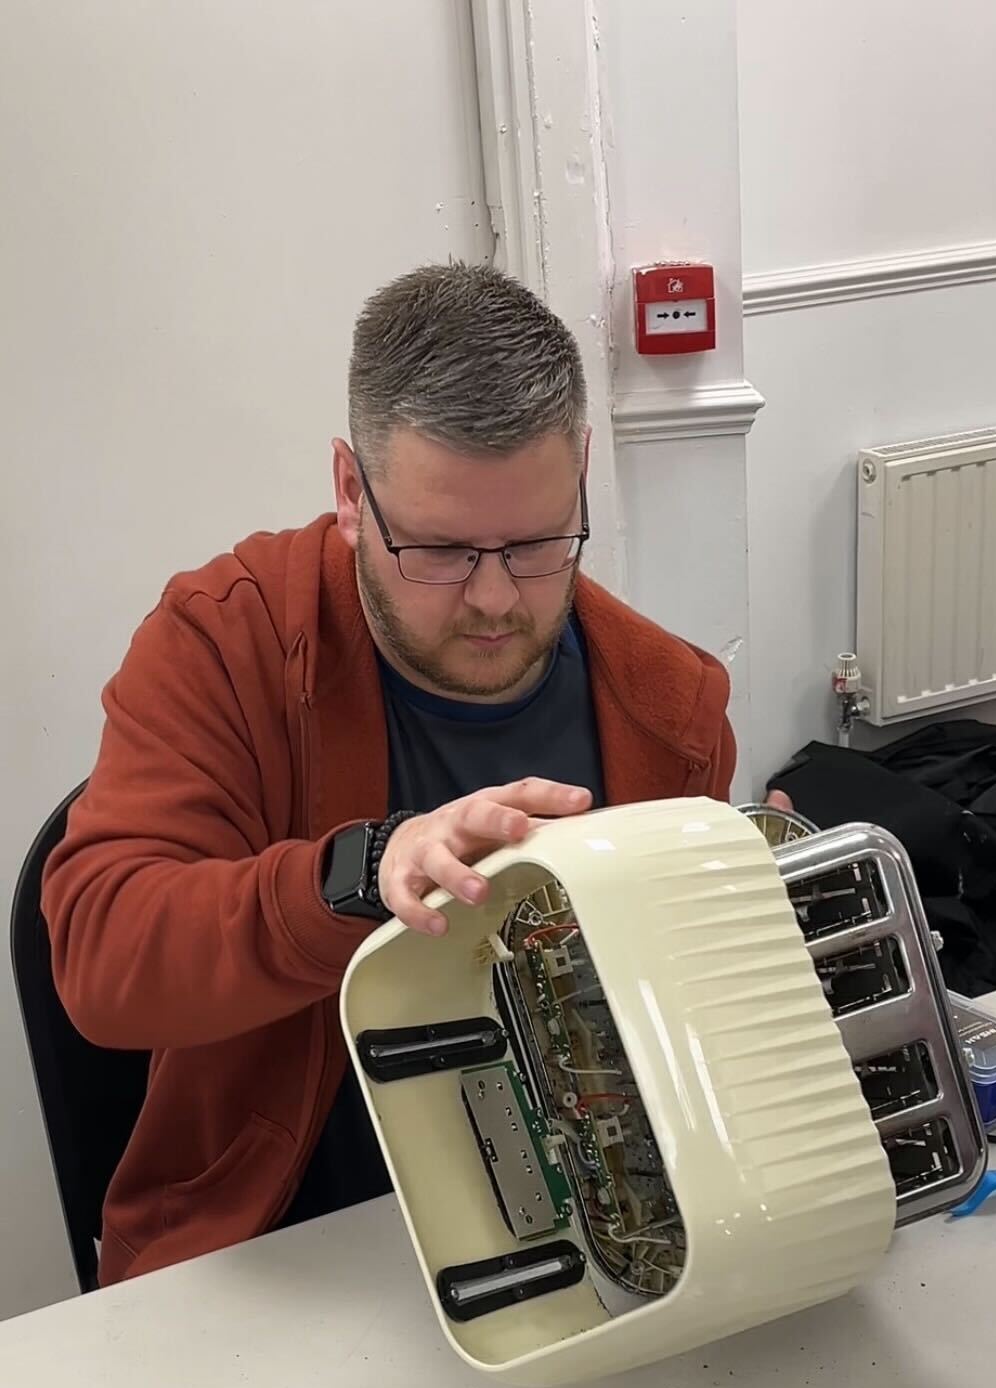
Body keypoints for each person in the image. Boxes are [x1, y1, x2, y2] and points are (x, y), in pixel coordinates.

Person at [42, 262, 743, 1286]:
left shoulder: (668, 705)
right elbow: (104, 962)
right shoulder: (227, 640)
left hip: (593, 1239)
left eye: (540, 542)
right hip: (287, 1250)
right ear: (347, 492)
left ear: (582, 468)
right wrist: (362, 872)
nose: (496, 598)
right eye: (442, 551)